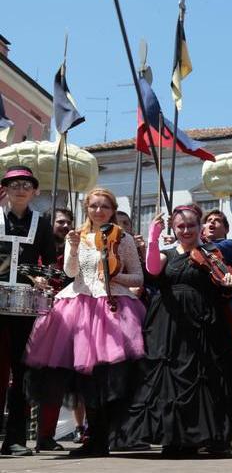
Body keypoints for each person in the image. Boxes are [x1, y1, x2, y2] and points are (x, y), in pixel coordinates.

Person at [122, 205, 232, 457]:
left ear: (199, 227)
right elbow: (151, 269)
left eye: (191, 226)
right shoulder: (166, 254)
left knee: (207, 378)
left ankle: (209, 437)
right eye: (180, 226)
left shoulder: (212, 254)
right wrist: (152, 237)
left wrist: (227, 285)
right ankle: (172, 438)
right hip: (168, 324)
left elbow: (224, 290)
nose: (185, 231)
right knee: (168, 381)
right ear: (174, 228)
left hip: (204, 322)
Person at [24, 188, 145, 457]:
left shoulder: (122, 238)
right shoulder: (76, 236)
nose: (99, 211)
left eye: (105, 206)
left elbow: (138, 278)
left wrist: (114, 277)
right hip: (77, 305)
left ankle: (102, 436)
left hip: (112, 308)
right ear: (86, 208)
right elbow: (70, 271)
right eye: (94, 206)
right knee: (83, 379)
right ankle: (94, 438)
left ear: (113, 210)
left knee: (107, 378)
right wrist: (75, 246)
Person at [0, 167, 57, 456]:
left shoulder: (42, 224)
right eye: (14, 184)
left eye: (26, 184)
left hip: (25, 307)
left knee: (22, 373)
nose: (20, 189)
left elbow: (50, 261)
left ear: (34, 191)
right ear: (5, 189)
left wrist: (43, 277)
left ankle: (15, 439)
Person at [33, 207, 76, 452]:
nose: (65, 226)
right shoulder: (39, 248)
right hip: (34, 319)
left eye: (68, 222)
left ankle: (46, 435)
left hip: (61, 321)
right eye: (60, 222)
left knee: (54, 382)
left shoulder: (74, 248)